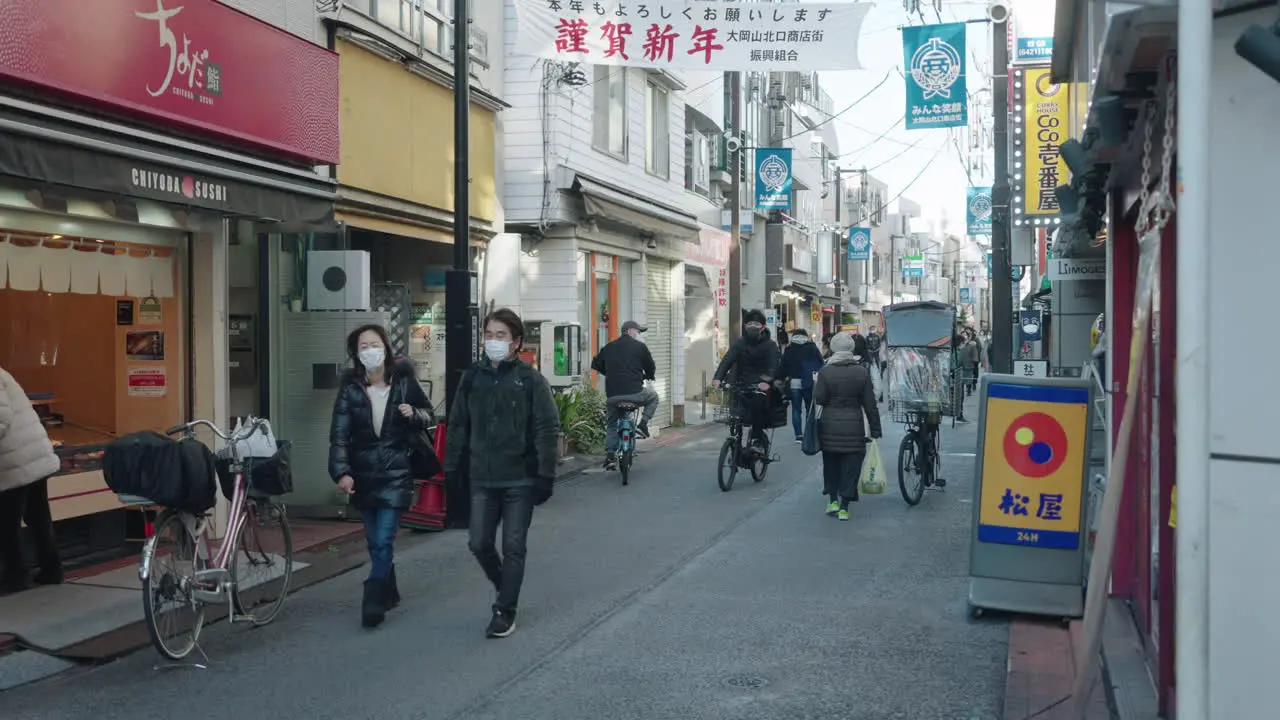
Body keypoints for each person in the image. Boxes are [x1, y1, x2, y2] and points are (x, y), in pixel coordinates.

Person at [445, 309, 559, 639]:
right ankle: (504, 587)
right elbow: (457, 425)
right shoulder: (471, 378)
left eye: (501, 336)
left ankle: (504, 610)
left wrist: (545, 474)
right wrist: (452, 467)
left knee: (513, 545)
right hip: (482, 476)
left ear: (516, 342)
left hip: (520, 477)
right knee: (479, 542)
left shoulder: (530, 380)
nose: (493, 342)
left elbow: (547, 428)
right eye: (489, 335)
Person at [329, 324, 436, 628]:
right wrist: (342, 472)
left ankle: (373, 598)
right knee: (374, 540)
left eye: (374, 344)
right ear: (356, 354)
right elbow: (338, 435)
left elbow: (430, 415)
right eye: (363, 347)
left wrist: (413, 414)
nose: (370, 351)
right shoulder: (350, 389)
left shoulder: (403, 382)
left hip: (396, 470)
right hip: (364, 474)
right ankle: (389, 590)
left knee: (384, 538)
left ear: (386, 348)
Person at [0, 367, 63, 593]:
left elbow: (1, 418)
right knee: (38, 515)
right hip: (31, 452)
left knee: (7, 522)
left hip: (15, 457)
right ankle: (51, 568)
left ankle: (15, 575)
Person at [814, 333, 882, 521]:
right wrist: (875, 429)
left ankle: (832, 500)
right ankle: (844, 507)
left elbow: (819, 398)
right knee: (851, 466)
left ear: (834, 348)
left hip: (829, 425)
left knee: (831, 464)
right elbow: (870, 403)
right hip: (855, 424)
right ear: (851, 349)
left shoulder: (825, 371)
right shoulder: (861, 372)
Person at [591, 320, 658, 469]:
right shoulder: (640, 347)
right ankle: (643, 424)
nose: (638, 334)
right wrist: (649, 375)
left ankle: (610, 455)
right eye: (637, 331)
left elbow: (595, 363)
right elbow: (650, 366)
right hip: (635, 393)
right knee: (653, 397)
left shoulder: (608, 347)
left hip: (613, 395)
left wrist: (608, 372)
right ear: (629, 330)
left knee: (612, 424)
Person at [712, 309, 782, 453]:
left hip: (761, 386)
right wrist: (718, 378)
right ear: (745, 326)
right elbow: (727, 360)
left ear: (762, 327)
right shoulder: (740, 344)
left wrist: (767, 382)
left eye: (756, 324)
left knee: (757, 407)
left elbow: (773, 366)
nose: (752, 326)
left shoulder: (770, 345)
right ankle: (735, 441)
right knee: (735, 412)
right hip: (741, 383)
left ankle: (757, 439)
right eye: (749, 323)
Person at [778, 328, 823, 443]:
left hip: (794, 382)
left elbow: (783, 367)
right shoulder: (812, 347)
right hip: (809, 381)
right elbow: (820, 363)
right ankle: (809, 432)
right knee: (809, 408)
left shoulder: (789, 349)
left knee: (796, 409)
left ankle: (798, 435)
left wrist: (780, 378)